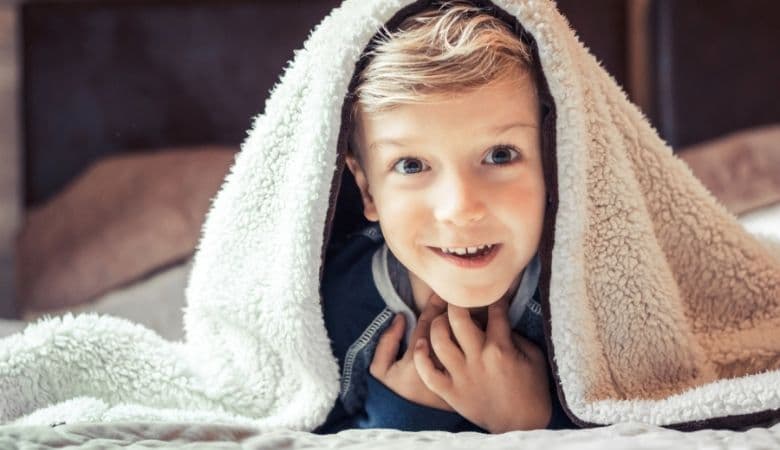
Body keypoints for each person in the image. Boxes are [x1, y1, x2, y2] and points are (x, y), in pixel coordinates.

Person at [315, 1, 575, 433]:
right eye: (412, 165)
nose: (461, 208)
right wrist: (406, 414)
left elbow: (659, 410)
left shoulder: (593, 297)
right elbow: (297, 422)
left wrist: (532, 421)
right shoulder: (333, 306)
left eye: (500, 155)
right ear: (366, 189)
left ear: (554, 157)